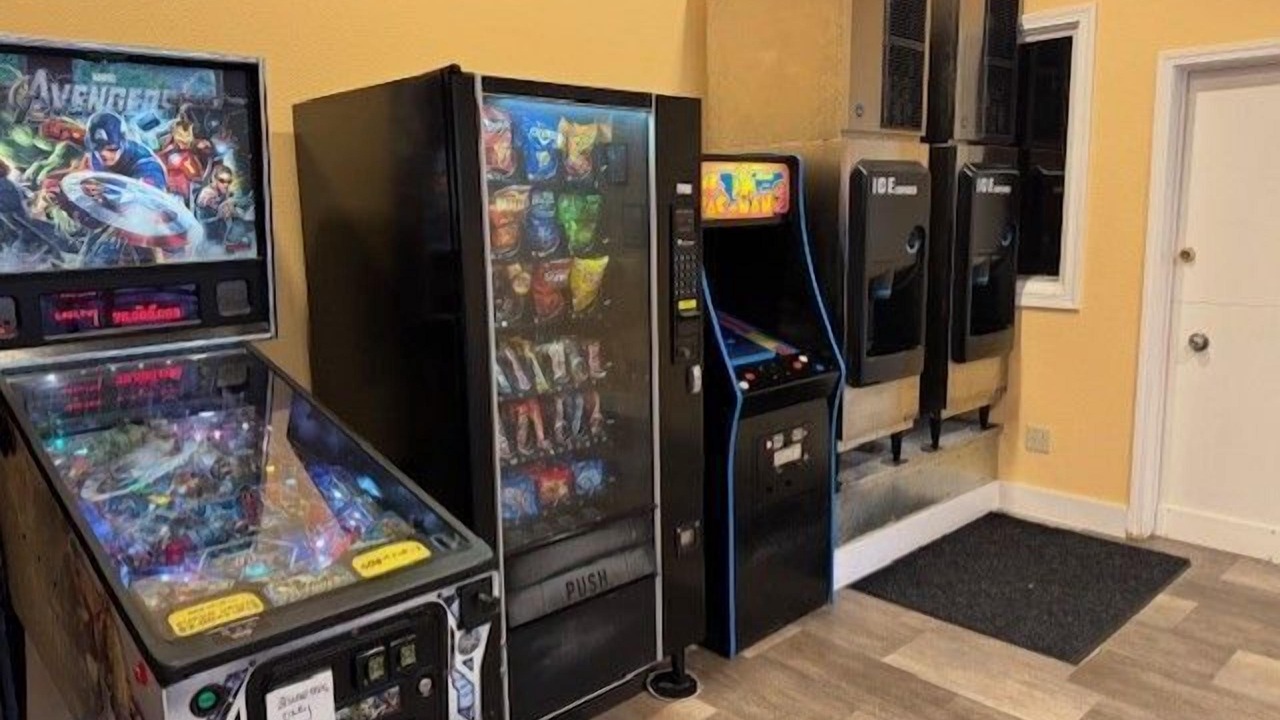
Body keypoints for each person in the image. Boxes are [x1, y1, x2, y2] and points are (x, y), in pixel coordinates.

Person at [84, 112, 166, 189]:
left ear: (123, 144)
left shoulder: (148, 166)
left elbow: (149, 196)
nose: (104, 154)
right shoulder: (95, 157)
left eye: (111, 149)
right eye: (98, 149)